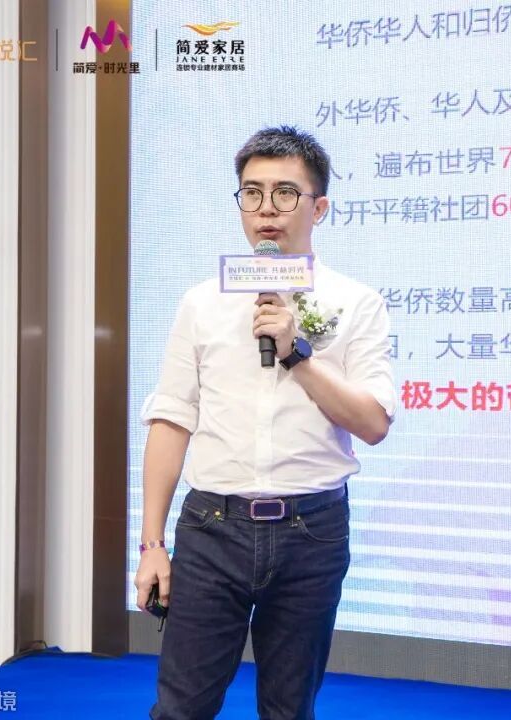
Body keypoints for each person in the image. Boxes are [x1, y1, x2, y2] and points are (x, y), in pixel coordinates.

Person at [137, 125, 397, 720]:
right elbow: (171, 420)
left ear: (319, 208)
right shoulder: (202, 302)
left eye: (285, 193)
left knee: (288, 710)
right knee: (180, 709)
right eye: (251, 193)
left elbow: (373, 423)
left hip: (312, 531)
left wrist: (297, 353)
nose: (266, 210)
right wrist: (151, 543)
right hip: (212, 527)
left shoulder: (356, 303)